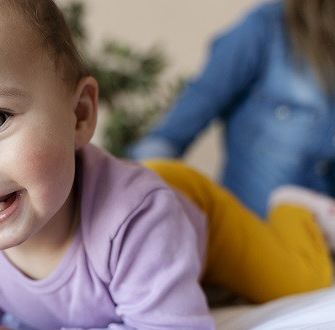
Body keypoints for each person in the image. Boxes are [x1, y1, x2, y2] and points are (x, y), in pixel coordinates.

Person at [0, 0, 335, 330]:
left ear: (79, 116)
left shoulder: (139, 218)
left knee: (305, 280)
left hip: (190, 204)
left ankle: (293, 212)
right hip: (142, 224)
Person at [128, 0, 335, 217]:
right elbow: (170, 136)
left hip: (321, 246)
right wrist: (131, 203)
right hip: (250, 236)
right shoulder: (266, 28)